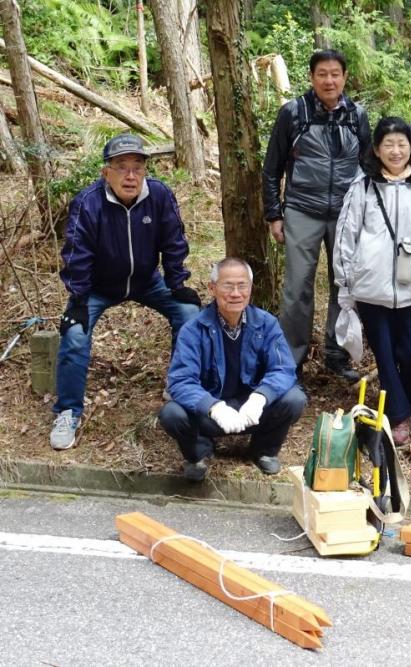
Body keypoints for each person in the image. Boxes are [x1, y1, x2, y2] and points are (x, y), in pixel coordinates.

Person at [49, 134, 201, 451]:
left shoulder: (158, 195)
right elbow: (76, 254)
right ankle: (67, 412)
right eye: (121, 168)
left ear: (145, 170)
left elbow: (174, 242)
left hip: (147, 281)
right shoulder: (88, 202)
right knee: (75, 334)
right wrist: (77, 299)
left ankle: (179, 388)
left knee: (189, 315)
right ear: (107, 173)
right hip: (98, 287)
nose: (130, 176)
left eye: (137, 167)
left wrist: (177, 283)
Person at [333, 117, 411, 446]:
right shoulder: (364, 186)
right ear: (376, 149)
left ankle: (410, 393)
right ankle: (399, 415)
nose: (396, 151)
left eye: (402, 144)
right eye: (389, 144)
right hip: (371, 288)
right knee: (385, 356)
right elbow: (346, 236)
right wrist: (346, 284)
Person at [262, 49, 371, 382]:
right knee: (297, 289)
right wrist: (274, 214)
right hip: (301, 210)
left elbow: (368, 168)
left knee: (344, 285)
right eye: (322, 73)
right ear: (311, 78)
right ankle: (290, 361)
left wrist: (368, 216)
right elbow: (271, 169)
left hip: (346, 213)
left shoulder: (357, 115)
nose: (329, 80)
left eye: (335, 73)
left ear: (344, 77)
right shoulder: (294, 113)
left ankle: (336, 354)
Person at [160, 258, 306, 481]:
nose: (236, 293)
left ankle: (264, 450)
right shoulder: (193, 329)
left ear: (250, 288)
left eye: (242, 285)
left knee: (294, 398)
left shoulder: (266, 324)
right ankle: (198, 453)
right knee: (172, 413)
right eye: (228, 286)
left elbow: (283, 369)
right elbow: (180, 381)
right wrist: (213, 407)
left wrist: (260, 398)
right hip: (212, 412)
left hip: (252, 412)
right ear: (212, 288)